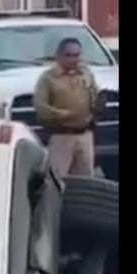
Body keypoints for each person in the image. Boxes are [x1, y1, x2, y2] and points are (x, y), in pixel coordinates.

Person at [34, 37, 101, 178]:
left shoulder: (86, 74)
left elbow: (94, 95)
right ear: (59, 56)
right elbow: (41, 107)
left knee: (85, 180)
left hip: (85, 135)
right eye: (68, 55)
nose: (73, 59)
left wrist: (97, 105)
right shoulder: (48, 78)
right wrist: (65, 114)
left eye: (76, 55)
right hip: (61, 136)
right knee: (57, 180)